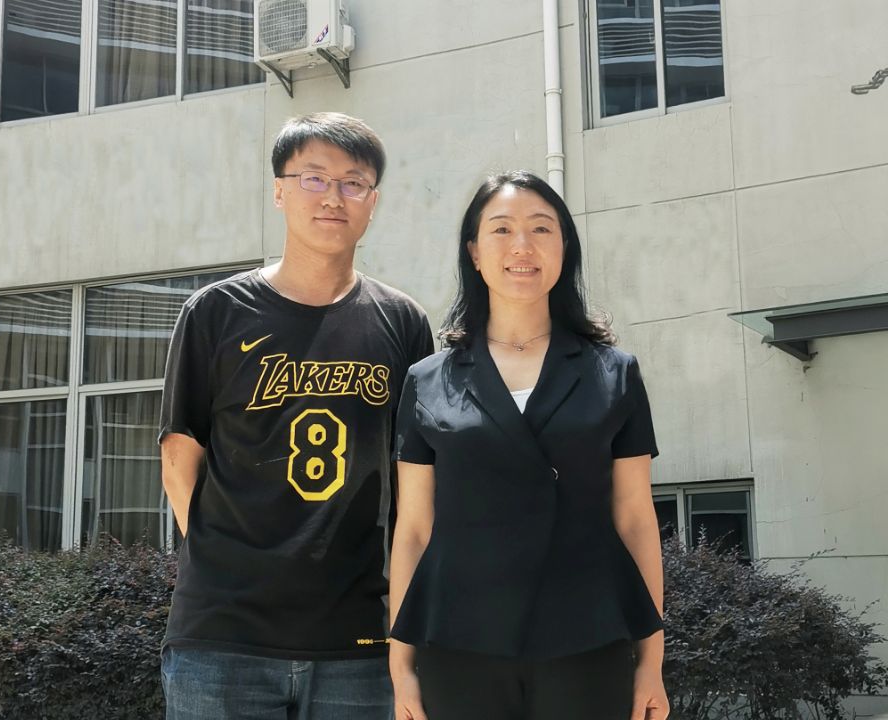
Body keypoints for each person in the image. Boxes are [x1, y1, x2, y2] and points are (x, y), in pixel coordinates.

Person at [159, 112, 433, 720]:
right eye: (313, 178)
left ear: (373, 202)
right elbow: (180, 457)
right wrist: (230, 568)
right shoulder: (215, 312)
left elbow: (415, 483)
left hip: (360, 639)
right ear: (279, 191)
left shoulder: (404, 322)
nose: (333, 197)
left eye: (353, 182)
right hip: (224, 638)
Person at [388, 171, 669, 720]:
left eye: (542, 228)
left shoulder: (614, 372)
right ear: (474, 251)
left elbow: (636, 519)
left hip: (587, 638)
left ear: (565, 249)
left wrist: (651, 660)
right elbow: (415, 528)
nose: (522, 245)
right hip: (459, 641)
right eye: (501, 229)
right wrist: (401, 664)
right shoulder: (427, 379)